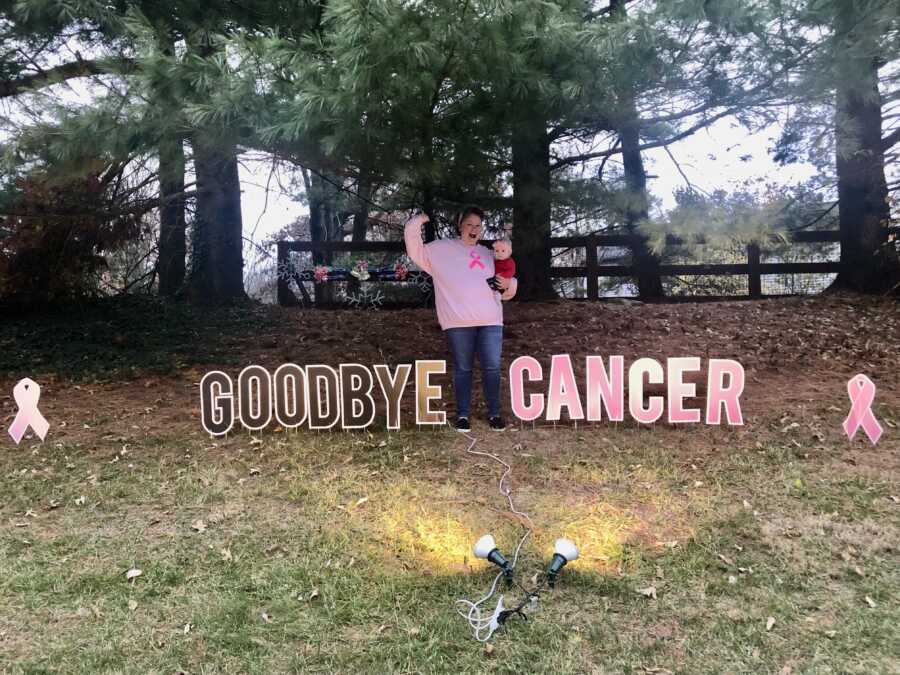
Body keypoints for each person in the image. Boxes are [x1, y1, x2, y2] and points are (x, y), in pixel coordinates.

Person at [404, 207, 517, 431]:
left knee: (492, 367)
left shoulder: (488, 253)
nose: (474, 229)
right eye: (469, 225)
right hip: (458, 322)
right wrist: (416, 223)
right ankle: (463, 415)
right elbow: (415, 250)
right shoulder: (440, 250)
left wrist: (510, 286)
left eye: (478, 226)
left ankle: (494, 413)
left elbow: (507, 282)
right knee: (463, 368)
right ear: (460, 226)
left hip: (491, 321)